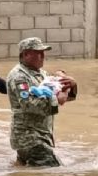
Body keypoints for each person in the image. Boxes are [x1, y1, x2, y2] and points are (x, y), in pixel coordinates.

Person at [6, 37, 78, 167]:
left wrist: (71, 85)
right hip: (30, 139)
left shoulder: (41, 74)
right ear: (26, 54)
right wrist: (57, 98)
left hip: (38, 137)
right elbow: (28, 104)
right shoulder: (19, 76)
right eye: (38, 53)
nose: (43, 56)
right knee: (54, 174)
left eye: (43, 52)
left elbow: (61, 95)